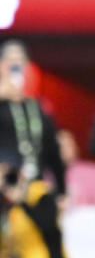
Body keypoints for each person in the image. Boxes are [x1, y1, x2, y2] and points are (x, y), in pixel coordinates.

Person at [0, 40, 65, 187]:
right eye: (10, 61)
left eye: (20, 61)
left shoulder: (38, 108)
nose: (15, 66)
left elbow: (53, 152)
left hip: (33, 187)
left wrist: (62, 189)